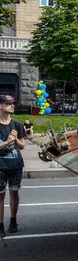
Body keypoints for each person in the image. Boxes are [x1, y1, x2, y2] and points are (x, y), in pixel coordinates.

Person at [0, 95, 26, 237]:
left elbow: (22, 146)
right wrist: (7, 141)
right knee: (0, 196)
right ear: (0, 106)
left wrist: (15, 139)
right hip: (0, 165)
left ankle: (13, 220)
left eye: (13, 103)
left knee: (14, 193)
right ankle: (0, 225)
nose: (12, 105)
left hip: (16, 164)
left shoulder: (17, 125)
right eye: (8, 103)